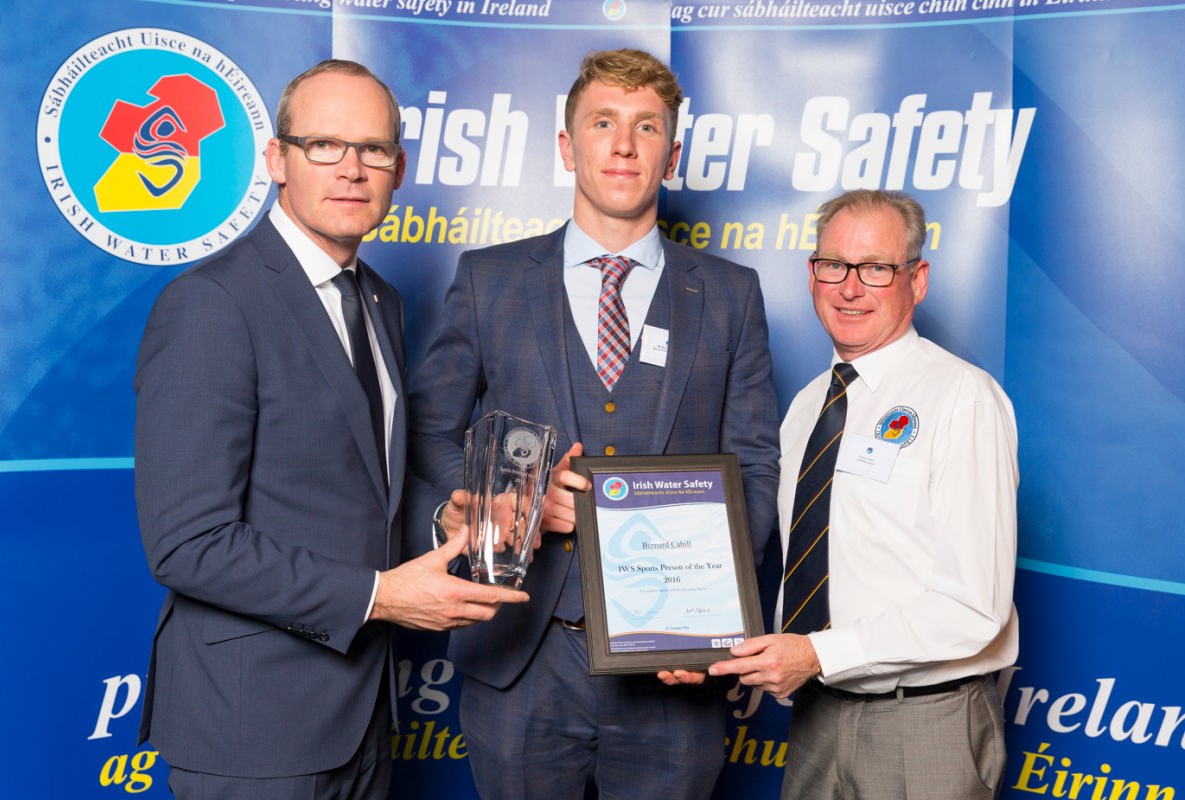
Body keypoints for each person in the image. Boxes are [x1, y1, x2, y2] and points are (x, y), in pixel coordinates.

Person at [133, 59, 526, 798]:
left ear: (399, 167)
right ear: (277, 159)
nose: (352, 168)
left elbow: (356, 485)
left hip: (362, 716)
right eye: (324, 145)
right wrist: (379, 597)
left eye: (373, 149)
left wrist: (450, 517)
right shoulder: (212, 305)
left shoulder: (377, 300)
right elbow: (187, 543)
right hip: (250, 725)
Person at [407, 48, 780, 799]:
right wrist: (489, 506)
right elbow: (426, 432)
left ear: (671, 156)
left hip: (673, 673)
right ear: (566, 145)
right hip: (518, 659)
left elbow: (756, 466)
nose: (622, 143)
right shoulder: (489, 281)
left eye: (647, 128)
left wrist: (715, 619)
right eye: (602, 122)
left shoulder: (732, 295)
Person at [709, 189, 1019, 799]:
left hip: (926, 724)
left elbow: (974, 607)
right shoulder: (805, 409)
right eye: (834, 266)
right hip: (818, 718)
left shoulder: (963, 398)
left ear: (917, 279)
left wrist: (819, 654)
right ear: (812, 274)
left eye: (877, 268)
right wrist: (701, 650)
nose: (851, 287)